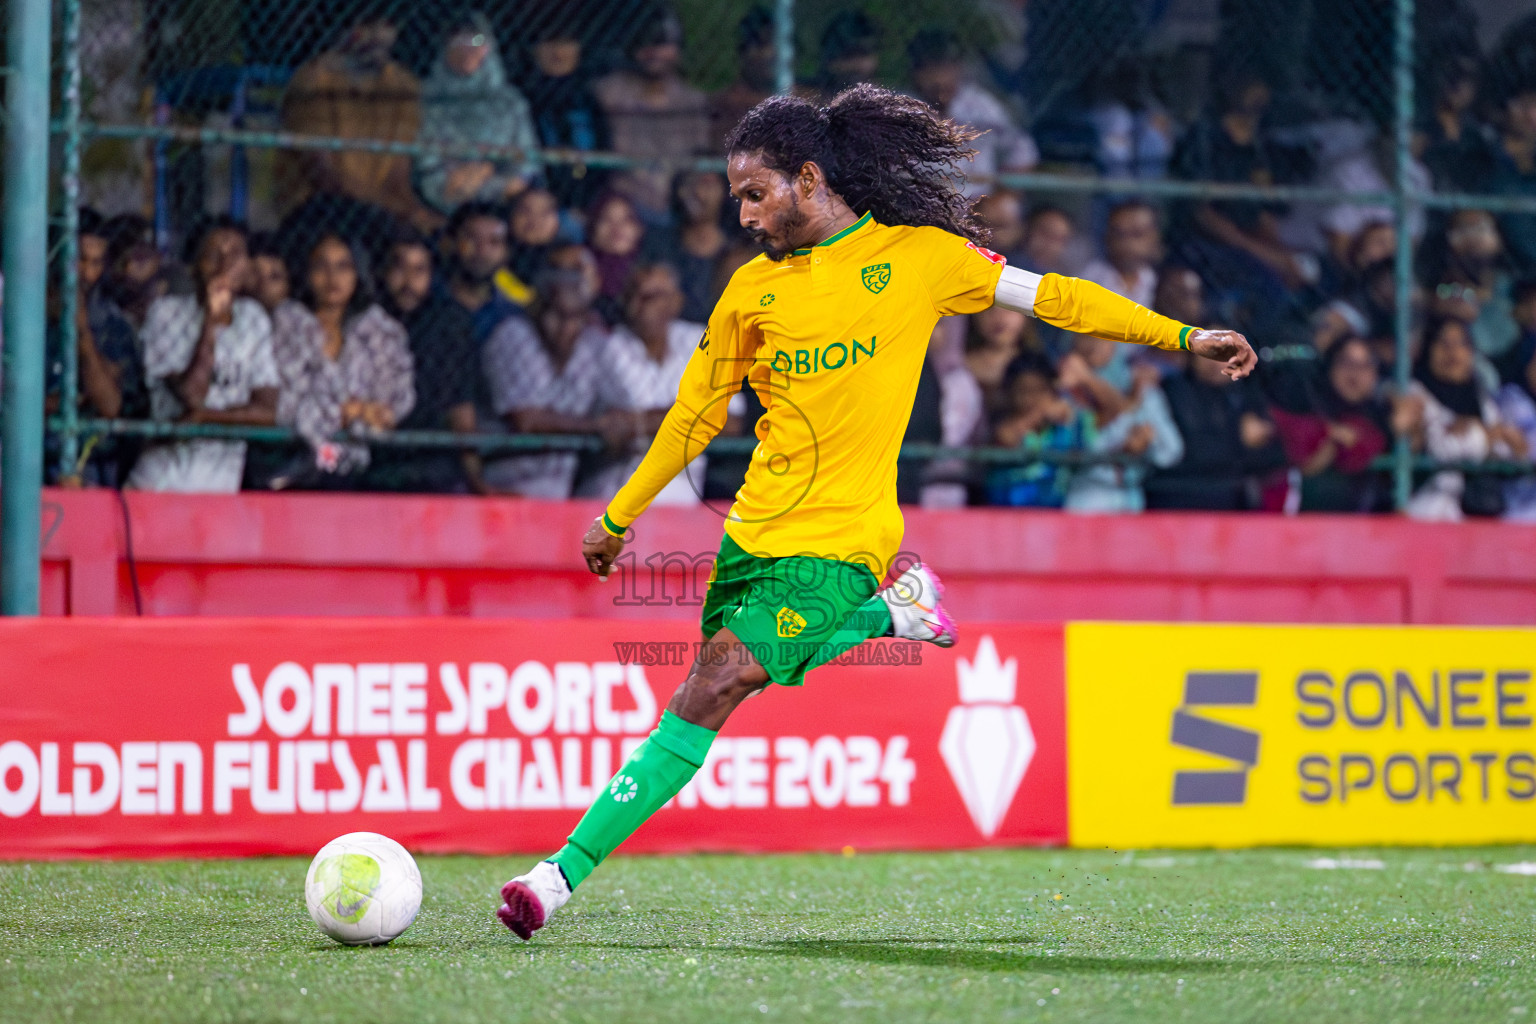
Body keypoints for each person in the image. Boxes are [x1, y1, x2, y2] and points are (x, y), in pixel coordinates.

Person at [494, 84, 1258, 939]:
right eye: (735, 198)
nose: (742, 215)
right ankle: (898, 610)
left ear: (809, 179)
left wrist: (1184, 338)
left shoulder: (922, 258)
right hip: (751, 535)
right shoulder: (751, 291)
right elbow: (695, 415)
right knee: (704, 695)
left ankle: (553, 879)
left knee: (718, 679)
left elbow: (1059, 299)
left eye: (756, 194)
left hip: (847, 538)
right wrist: (619, 514)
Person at [128, 217, 280, 493]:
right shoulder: (166, 313)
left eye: (235, 255)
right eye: (212, 256)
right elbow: (192, 395)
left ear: (247, 267)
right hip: (161, 481)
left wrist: (205, 419)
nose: (224, 266)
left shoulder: (254, 319)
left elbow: (268, 411)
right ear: (193, 266)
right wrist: (210, 321)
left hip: (220, 487)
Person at [480, 250, 632, 498]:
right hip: (505, 484)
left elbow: (620, 409)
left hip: (561, 489)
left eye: (573, 318)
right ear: (538, 310)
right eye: (555, 315)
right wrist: (595, 426)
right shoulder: (513, 335)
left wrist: (617, 420)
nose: (564, 328)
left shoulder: (590, 344)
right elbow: (527, 420)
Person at [267, 233, 415, 487]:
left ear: (358, 273)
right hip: (297, 458)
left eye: (343, 266)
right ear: (306, 273)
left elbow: (393, 402)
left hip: (364, 466)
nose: (332, 278)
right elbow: (285, 404)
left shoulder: (376, 330)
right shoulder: (288, 326)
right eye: (321, 266)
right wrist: (349, 412)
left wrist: (362, 412)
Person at [278, 10, 441, 235]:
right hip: (323, 207)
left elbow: (397, 177)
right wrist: (385, 210)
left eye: (387, 26)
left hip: (383, 209)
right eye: (368, 26)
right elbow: (324, 176)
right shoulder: (313, 80)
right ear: (347, 31)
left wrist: (411, 211)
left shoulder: (403, 85)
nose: (379, 36)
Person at [364, 229, 485, 494]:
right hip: (371, 456)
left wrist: (476, 479)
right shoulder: (364, 320)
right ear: (383, 272)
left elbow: (461, 408)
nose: (408, 281)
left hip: (432, 459)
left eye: (419, 270)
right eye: (400, 267)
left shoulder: (450, 323)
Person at [587, 262, 709, 502]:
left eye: (651, 296)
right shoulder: (608, 345)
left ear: (676, 302)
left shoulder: (698, 340)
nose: (639, 304)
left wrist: (637, 422)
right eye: (633, 294)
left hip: (684, 490)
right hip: (618, 487)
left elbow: (728, 417)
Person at [45, 208, 146, 486]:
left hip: (93, 466)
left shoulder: (113, 325)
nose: (87, 275)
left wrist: (82, 332)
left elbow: (110, 406)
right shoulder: (20, 316)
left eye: (96, 263)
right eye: (79, 261)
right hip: (28, 458)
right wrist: (64, 403)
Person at [591, 4, 709, 224]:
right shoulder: (608, 93)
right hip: (624, 209)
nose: (654, 53)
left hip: (678, 208)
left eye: (663, 43)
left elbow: (700, 158)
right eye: (645, 43)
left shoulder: (692, 100)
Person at [415, 13, 541, 216]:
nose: (468, 48)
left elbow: (525, 165)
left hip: (508, 204)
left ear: (489, 47)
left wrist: (481, 177)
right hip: (446, 203)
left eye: (477, 40)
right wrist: (483, 172)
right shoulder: (427, 100)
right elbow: (429, 169)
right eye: (458, 41)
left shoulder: (510, 101)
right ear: (444, 48)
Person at [1404, 316, 1528, 520]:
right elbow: (1443, 449)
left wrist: (1492, 437)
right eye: (1443, 343)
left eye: (1461, 344)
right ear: (1427, 349)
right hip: (1427, 511)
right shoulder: (1415, 394)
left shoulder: (1480, 398)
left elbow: (1507, 450)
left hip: (1476, 516)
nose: (1452, 352)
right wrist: (1485, 436)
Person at [1146, 345, 1285, 511]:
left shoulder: (1248, 396)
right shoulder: (1172, 389)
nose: (1216, 362)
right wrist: (1237, 436)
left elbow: (1277, 457)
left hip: (1230, 502)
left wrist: (1256, 443)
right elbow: (1195, 450)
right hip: (1175, 498)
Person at [906, 27, 1037, 198]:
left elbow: (1023, 150)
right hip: (922, 207)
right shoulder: (900, 108)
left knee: (1006, 212)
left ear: (959, 68)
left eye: (948, 67)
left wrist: (1003, 194)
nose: (941, 78)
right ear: (916, 72)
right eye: (933, 69)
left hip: (979, 207)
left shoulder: (980, 106)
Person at [1269, 337, 1393, 513]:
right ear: (1330, 366)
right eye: (1346, 362)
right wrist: (1324, 434)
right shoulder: (1301, 405)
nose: (1354, 373)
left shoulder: (1384, 417)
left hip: (1365, 530)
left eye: (1365, 365)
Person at [513, 10, 609, 211]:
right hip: (536, 200)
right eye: (548, 42)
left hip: (589, 199)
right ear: (533, 50)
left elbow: (604, 153)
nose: (558, 51)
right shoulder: (521, 98)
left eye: (567, 42)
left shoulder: (592, 99)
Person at [644, 170, 735, 323]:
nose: (698, 191)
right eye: (690, 183)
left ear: (724, 191)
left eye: (708, 183)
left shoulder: (739, 250)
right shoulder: (657, 244)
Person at [444, 201, 522, 344]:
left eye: (494, 242)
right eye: (472, 238)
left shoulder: (513, 314)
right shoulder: (427, 298)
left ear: (507, 252)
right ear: (453, 243)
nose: (482, 251)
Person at [708, 6, 778, 151]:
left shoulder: (800, 95)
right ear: (743, 52)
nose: (772, 53)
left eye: (776, 44)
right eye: (762, 45)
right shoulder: (726, 102)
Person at [1080, 200, 1161, 308]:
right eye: (1119, 234)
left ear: (1154, 237)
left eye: (1137, 234)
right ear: (1108, 237)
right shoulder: (1088, 280)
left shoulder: (1162, 283)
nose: (1127, 243)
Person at [586, 191, 647, 315]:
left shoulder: (649, 274)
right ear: (592, 227)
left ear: (639, 229)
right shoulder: (579, 265)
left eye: (626, 219)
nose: (617, 227)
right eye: (606, 219)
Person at [499, 187, 563, 305]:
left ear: (557, 221)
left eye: (545, 213)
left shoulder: (568, 260)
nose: (534, 220)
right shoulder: (493, 255)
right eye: (525, 211)